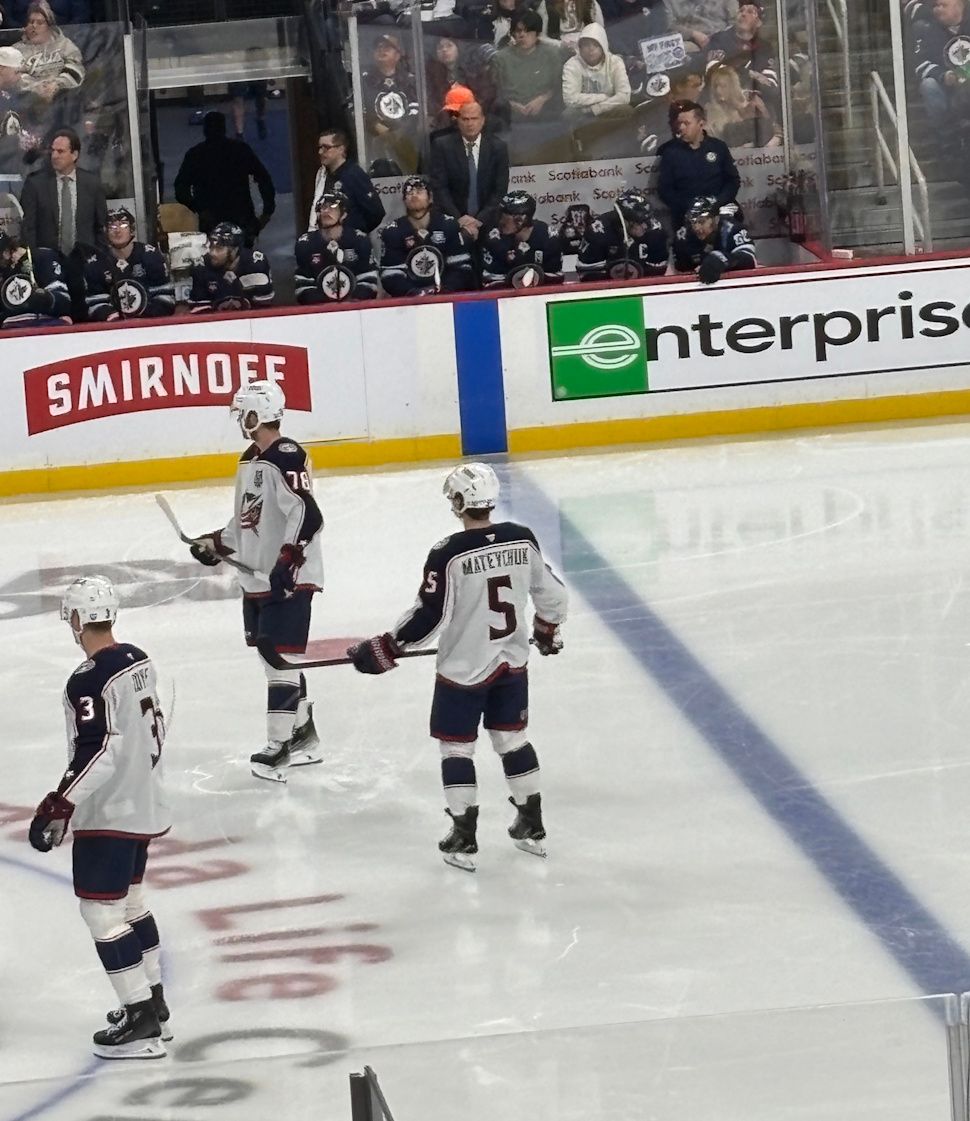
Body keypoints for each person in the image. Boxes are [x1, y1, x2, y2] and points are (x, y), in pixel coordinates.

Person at [348, 462, 568, 871]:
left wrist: (388, 646)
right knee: (512, 740)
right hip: (512, 662)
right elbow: (552, 593)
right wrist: (547, 629)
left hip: (463, 671)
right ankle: (532, 825)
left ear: (461, 501)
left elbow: (430, 616)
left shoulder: (448, 552)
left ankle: (464, 838)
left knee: (456, 747)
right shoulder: (522, 538)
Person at [28, 575, 172, 1059]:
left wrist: (60, 802)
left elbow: (100, 750)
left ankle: (140, 1018)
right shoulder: (139, 659)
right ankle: (154, 1001)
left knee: (101, 912)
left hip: (110, 810)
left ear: (75, 618)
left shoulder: (88, 678)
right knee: (131, 903)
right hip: (143, 800)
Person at [186, 380, 324, 784]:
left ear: (258, 414)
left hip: (288, 578)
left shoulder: (286, 455)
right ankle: (302, 735)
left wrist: (289, 558)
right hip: (258, 576)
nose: (239, 420)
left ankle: (278, 747)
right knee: (271, 658)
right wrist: (217, 542)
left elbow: (308, 515)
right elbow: (249, 518)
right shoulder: (249, 459)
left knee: (280, 658)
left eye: (243, 412)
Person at [174, 110, 275, 245]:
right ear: (224, 128)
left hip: (211, 216)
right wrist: (267, 211)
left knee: (215, 255)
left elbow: (181, 188)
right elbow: (264, 178)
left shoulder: (196, 154)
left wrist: (199, 209)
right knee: (242, 257)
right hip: (241, 214)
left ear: (204, 130)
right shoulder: (240, 150)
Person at [379, 175, 474, 297]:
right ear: (404, 200)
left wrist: (446, 289)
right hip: (409, 304)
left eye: (419, 191)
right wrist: (413, 293)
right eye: (409, 192)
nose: (414, 195)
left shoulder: (448, 225)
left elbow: (461, 267)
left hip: (447, 299)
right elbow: (390, 275)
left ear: (430, 198)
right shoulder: (392, 232)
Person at [430, 100, 510, 242]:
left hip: (487, 222)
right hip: (452, 221)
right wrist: (459, 219)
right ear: (458, 121)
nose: (470, 123)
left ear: (483, 120)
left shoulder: (498, 147)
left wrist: (478, 220)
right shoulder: (442, 146)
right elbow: (439, 187)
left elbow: (500, 190)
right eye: (465, 119)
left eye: (474, 118)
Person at [20, 126, 107, 254]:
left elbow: (101, 227)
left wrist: (100, 260)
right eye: (52, 151)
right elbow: (29, 228)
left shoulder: (92, 183)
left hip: (85, 260)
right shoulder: (36, 184)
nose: (54, 156)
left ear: (74, 155)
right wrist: (34, 259)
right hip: (48, 261)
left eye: (60, 151)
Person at [656, 99, 740, 230]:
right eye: (680, 123)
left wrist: (716, 204)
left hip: (719, 215)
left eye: (686, 123)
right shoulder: (670, 153)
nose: (681, 128)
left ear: (701, 124)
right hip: (687, 218)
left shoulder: (718, 147)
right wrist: (692, 207)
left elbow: (732, 180)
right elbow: (665, 190)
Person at [83, 206, 175, 321]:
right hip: (114, 331)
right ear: (105, 231)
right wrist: (112, 317)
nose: (118, 230)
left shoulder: (151, 256)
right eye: (112, 226)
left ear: (132, 229)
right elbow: (95, 302)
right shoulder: (96, 263)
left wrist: (145, 316)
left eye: (123, 225)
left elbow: (165, 297)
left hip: (150, 326)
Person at [295, 191, 378, 304]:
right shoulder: (305, 243)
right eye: (323, 207)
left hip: (356, 311)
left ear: (344, 214)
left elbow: (369, 282)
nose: (326, 211)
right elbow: (303, 287)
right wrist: (325, 306)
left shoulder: (359, 240)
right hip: (320, 314)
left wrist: (352, 302)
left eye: (333, 207)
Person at [576, 186, 668, 280]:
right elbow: (586, 273)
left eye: (647, 219)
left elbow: (658, 272)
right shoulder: (597, 233)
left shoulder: (655, 232)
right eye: (639, 222)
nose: (645, 226)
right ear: (623, 221)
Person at [307, 128, 385, 236]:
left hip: (349, 244)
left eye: (326, 148)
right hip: (325, 241)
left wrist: (353, 233)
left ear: (341, 149)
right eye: (319, 147)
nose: (320, 152)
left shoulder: (354, 174)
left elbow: (376, 212)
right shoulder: (322, 175)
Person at [491, 10, 565, 122]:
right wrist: (511, 105)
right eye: (518, 31)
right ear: (513, 33)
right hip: (510, 117)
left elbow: (559, 87)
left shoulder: (552, 54)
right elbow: (495, 93)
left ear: (537, 33)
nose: (522, 35)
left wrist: (542, 99)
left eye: (528, 31)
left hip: (548, 114)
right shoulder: (501, 58)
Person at [480, 190, 563, 288]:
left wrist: (536, 278)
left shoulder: (548, 237)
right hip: (506, 297)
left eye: (504, 216)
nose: (500, 221)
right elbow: (490, 281)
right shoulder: (494, 239)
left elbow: (556, 278)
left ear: (521, 219)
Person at [186, 221, 274, 313]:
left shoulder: (255, 263)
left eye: (219, 248)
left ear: (234, 250)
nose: (212, 253)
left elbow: (263, 306)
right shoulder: (202, 267)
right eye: (211, 247)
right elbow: (200, 311)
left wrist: (236, 285)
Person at [672, 194, 756, 283]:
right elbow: (681, 269)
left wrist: (722, 260)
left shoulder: (733, 229)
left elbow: (748, 260)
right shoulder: (683, 237)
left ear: (716, 219)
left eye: (701, 221)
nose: (696, 227)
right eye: (693, 222)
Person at [17, 0, 84, 108]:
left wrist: (57, 84)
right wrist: (36, 87)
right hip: (29, 105)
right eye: (31, 22)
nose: (34, 26)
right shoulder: (16, 50)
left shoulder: (65, 45)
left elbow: (77, 70)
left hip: (64, 102)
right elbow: (12, 76)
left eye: (40, 22)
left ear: (49, 26)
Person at [562, 23, 633, 121]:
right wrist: (602, 97)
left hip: (608, 107)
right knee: (569, 114)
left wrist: (597, 109)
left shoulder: (615, 61)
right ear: (580, 47)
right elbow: (570, 99)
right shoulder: (571, 65)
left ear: (603, 46)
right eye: (586, 45)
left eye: (596, 45)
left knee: (625, 109)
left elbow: (624, 96)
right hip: (584, 111)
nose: (591, 49)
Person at [0, 227, 68, 325]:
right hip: (11, 329)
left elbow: (64, 300)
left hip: (44, 325)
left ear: (6, 252)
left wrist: (46, 298)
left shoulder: (43, 256)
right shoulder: (5, 272)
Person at [704, 62, 780, 147]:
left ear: (732, 86)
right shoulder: (711, 110)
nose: (718, 91)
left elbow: (772, 128)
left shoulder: (752, 103)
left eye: (723, 86)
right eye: (715, 86)